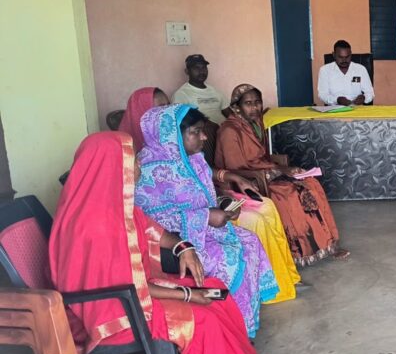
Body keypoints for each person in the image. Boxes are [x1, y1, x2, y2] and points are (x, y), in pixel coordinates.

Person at [51, 132, 284, 354]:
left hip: (135, 293)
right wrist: (187, 295)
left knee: (217, 292)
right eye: (132, 163)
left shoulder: (111, 202)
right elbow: (127, 287)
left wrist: (183, 247)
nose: (138, 168)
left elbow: (153, 231)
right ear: (113, 168)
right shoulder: (94, 225)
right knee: (203, 320)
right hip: (114, 311)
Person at [136, 104, 279, 338]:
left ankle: (243, 321)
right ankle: (229, 328)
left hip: (202, 232)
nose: (204, 137)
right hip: (170, 247)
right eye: (196, 132)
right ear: (172, 135)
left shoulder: (192, 159)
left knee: (250, 241)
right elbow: (149, 224)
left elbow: (202, 195)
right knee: (228, 258)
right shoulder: (147, 170)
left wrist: (221, 208)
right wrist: (206, 217)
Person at [217, 84, 349, 266]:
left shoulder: (255, 123)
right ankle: (299, 252)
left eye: (257, 102)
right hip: (250, 180)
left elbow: (261, 157)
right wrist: (278, 171)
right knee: (290, 192)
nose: (254, 108)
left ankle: (327, 244)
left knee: (311, 183)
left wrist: (283, 169)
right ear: (237, 107)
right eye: (248, 103)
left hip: (266, 171)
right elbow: (234, 169)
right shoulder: (230, 130)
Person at [172, 54, 229, 124]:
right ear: (187, 71)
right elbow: (181, 120)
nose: (201, 71)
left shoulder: (215, 91)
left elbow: (229, 114)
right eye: (196, 68)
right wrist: (207, 124)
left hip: (226, 128)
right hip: (204, 129)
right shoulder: (181, 94)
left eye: (204, 67)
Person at [318, 40, 375, 106]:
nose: (344, 60)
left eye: (347, 57)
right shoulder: (325, 70)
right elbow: (323, 95)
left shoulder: (360, 69)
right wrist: (337, 100)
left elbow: (370, 93)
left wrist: (364, 97)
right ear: (334, 55)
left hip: (356, 108)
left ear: (351, 54)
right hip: (335, 108)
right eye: (340, 57)